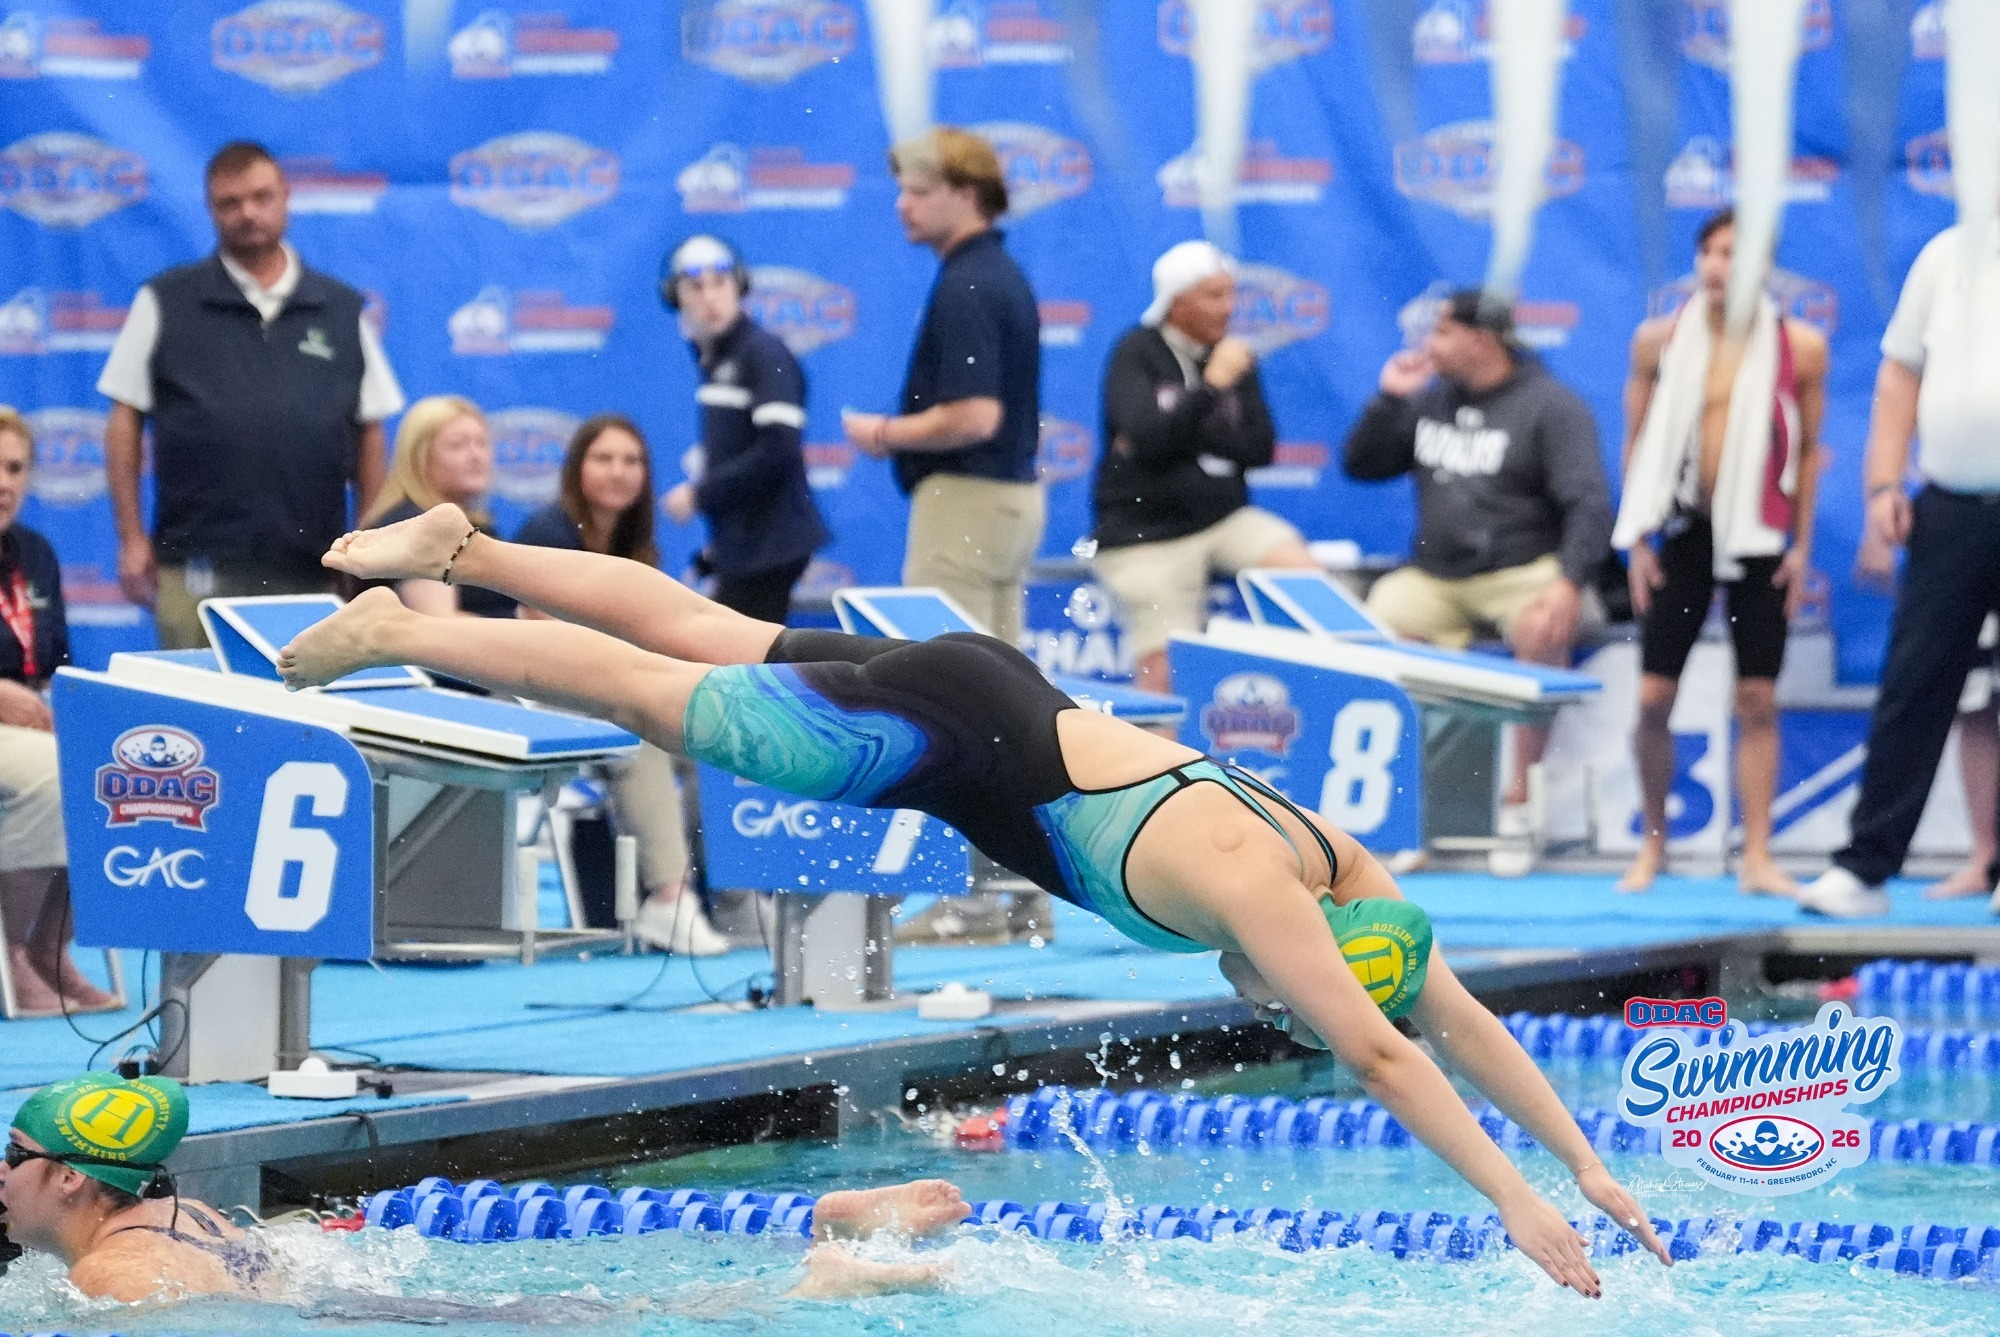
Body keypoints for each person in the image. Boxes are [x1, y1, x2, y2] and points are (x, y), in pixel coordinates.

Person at [282, 504, 1675, 1299]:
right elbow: (1385, 1049)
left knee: (701, 627)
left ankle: (460, 550)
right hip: (941, 747)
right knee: (657, 692)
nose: (1284, 1003)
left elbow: (1457, 1019)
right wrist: (1511, 1197)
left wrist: (1588, 1162)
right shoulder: (1265, 895)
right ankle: (407, 625)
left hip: (986, 683)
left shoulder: (1335, 858)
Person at [0, 1071, 956, 1304]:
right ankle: (823, 1234)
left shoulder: (112, 1279)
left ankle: (808, 1284)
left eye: (14, 1153)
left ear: (72, 1176)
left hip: (367, 1316)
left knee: (618, 1316)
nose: (1, 1174)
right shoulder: (182, 1209)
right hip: (363, 1296)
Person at [1343, 290, 1612, 874]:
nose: (1427, 346)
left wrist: (1568, 583)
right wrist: (1389, 399)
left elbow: (1589, 502)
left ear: (1481, 338)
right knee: (1374, 630)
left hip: (1521, 570)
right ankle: (1417, 808)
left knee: (1543, 622)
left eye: (1441, 332)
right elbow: (1361, 466)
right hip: (1436, 577)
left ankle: (1519, 804)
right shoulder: (1428, 401)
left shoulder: (1551, 405)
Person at [97, 141, 405, 650]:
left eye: (261, 198)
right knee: (198, 718)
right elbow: (123, 419)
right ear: (210, 209)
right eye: (230, 203)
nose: (248, 214)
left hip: (314, 568)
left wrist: (366, 544)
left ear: (286, 196)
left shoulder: (341, 309)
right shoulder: (165, 301)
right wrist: (131, 539)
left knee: (303, 717)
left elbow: (370, 429)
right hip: (196, 566)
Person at [1612, 209, 1827, 896]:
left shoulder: (1801, 346)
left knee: (1758, 697)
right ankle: (1652, 846)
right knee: (1652, 698)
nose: (1715, 265)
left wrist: (1801, 548)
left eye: (1733, 252)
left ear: (1763, 267)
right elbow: (1637, 441)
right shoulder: (1657, 341)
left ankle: (1757, 855)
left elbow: (1809, 453)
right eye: (1707, 251)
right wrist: (1638, 538)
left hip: (1760, 534)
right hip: (1683, 529)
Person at [1801, 219, 2000, 918]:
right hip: (1950, 505)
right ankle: (1864, 868)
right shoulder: (1945, 254)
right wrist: (1884, 479)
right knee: (1915, 683)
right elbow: (1900, 370)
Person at [515, 414, 720, 955]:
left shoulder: (637, 547)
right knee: (644, 739)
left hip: (615, 688)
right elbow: (548, 642)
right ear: (575, 468)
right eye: (603, 458)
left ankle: (726, 895)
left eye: (632, 461)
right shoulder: (548, 534)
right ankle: (668, 901)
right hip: (542, 692)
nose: (619, 472)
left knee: (719, 739)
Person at [842, 126, 1043, 647]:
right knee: (1004, 695)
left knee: (953, 685)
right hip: (1010, 499)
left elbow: (976, 416)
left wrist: (884, 433)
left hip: (965, 508)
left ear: (968, 195)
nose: (902, 206)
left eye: (920, 192)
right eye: (902, 190)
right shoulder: (1000, 274)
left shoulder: (967, 285)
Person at [1092, 240, 1318, 694]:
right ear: (1177, 301)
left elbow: (1259, 448)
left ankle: (1294, 702)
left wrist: (1182, 424)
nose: (1229, 308)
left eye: (1232, 294)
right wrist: (1211, 388)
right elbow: (1147, 440)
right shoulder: (1136, 352)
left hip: (1223, 518)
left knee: (1307, 586)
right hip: (1145, 535)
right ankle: (1156, 763)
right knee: (1164, 669)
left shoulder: (1235, 356)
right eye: (1215, 296)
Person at [0, 409, 117, 1015]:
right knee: (51, 769)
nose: (4, 482)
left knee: (109, 765)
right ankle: (12, 951)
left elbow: (50, 665)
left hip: (25, 723)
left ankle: (51, 948)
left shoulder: (34, 551)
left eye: (15, 467)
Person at [657, 235, 830, 625]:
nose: (709, 298)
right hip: (744, 546)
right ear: (676, 298)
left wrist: (700, 494)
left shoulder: (763, 355)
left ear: (739, 288)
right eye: (696, 288)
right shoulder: (718, 357)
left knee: (740, 666)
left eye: (720, 284)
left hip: (771, 548)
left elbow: (779, 451)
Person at [351, 395, 512, 620]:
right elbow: (441, 623)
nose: (476, 455)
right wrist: (538, 636)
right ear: (419, 457)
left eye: (482, 443)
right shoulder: (413, 527)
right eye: (458, 445)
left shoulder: (478, 526)